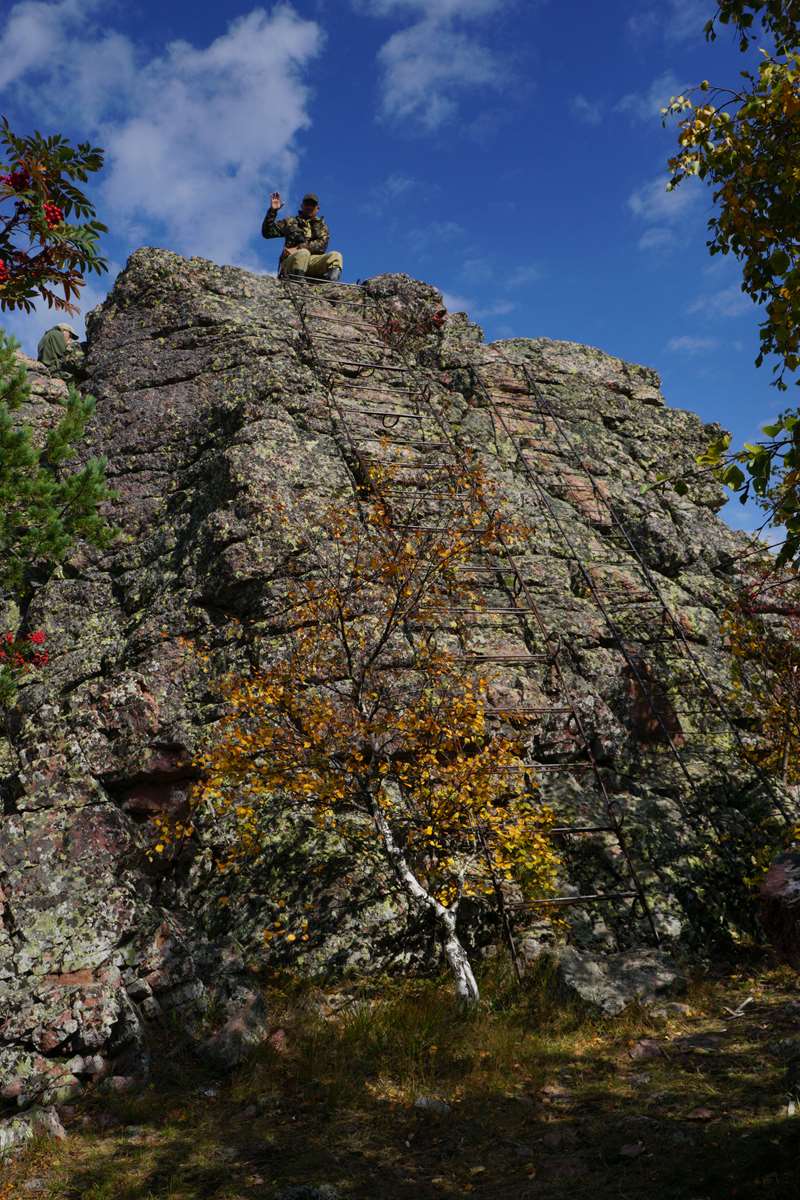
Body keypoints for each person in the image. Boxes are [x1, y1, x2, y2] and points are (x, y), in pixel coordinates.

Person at [261, 191, 343, 282]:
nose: (309, 207)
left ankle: (328, 285)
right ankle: (297, 285)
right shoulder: (290, 221)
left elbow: (322, 245)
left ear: (317, 208)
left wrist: (297, 248)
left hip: (312, 262)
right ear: (302, 206)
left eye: (312, 205)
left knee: (336, 256)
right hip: (291, 261)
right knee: (303, 253)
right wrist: (273, 211)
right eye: (307, 204)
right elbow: (267, 233)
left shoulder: (321, 226)